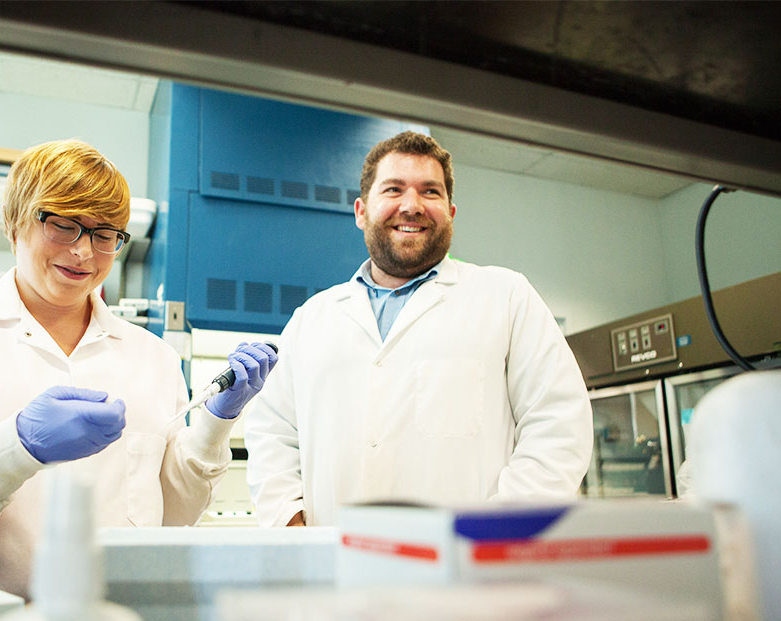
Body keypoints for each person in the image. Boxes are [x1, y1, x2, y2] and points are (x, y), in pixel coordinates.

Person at [0, 140, 277, 597]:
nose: (85, 252)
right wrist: (14, 447)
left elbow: (171, 513)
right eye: (64, 225)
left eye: (105, 235)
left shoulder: (152, 357)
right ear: (13, 222)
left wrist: (213, 425)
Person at [244, 131, 592, 527]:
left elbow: (559, 425)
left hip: (468, 573)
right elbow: (272, 434)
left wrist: (494, 535)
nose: (412, 206)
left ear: (451, 212)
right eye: (394, 189)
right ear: (361, 211)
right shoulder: (312, 318)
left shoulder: (506, 296)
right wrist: (292, 522)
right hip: (334, 564)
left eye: (430, 192)